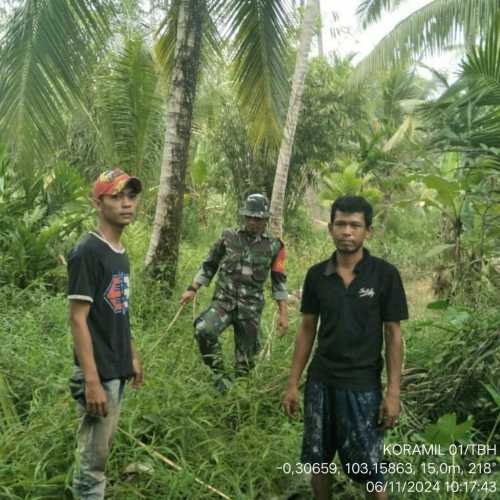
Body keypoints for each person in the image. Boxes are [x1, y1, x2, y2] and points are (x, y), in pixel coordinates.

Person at [282, 196, 408, 500]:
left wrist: (393, 393)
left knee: (371, 467)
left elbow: (393, 335)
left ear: (368, 231)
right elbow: (307, 329)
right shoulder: (316, 275)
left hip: (362, 386)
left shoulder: (384, 275)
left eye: (355, 225)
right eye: (341, 224)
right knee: (318, 460)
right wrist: (292, 384)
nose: (347, 232)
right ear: (330, 228)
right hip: (321, 382)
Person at [67, 168, 144, 500]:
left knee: (100, 449)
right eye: (116, 197)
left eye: (131, 196)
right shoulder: (88, 252)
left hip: (116, 366)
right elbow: (78, 320)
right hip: (99, 372)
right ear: (98, 203)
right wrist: (92, 380)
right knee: (92, 465)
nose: (126, 204)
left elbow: (118, 311)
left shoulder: (120, 252)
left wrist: (132, 355)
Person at [180, 193, 288, 392]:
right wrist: (192, 289)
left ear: (266, 219)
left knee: (245, 365)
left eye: (258, 218)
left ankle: (237, 401)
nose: (253, 222)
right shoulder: (228, 237)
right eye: (249, 217)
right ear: (244, 216)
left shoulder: (274, 246)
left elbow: (279, 280)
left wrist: (283, 314)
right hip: (224, 303)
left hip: (250, 310)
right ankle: (220, 377)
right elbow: (210, 263)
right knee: (203, 330)